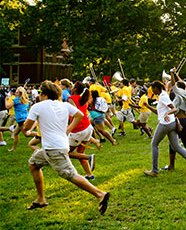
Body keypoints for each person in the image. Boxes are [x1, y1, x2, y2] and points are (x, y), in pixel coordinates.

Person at [22, 80, 110, 214]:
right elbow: (79, 115)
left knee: (70, 175)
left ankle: (100, 194)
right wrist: (68, 129)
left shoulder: (37, 107)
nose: (39, 95)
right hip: (53, 147)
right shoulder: (64, 105)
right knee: (33, 164)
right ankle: (41, 199)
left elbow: (26, 128)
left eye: (40, 92)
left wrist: (27, 131)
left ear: (44, 94)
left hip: (53, 149)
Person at [143, 81, 186, 177]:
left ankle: (154, 170)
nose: (152, 91)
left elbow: (174, 108)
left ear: (157, 88)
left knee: (154, 144)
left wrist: (167, 113)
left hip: (165, 124)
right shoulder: (162, 96)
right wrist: (148, 106)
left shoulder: (163, 96)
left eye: (153, 89)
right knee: (176, 146)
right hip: (171, 124)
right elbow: (158, 112)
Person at [7, 86, 30, 151]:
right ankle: (13, 149)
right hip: (25, 118)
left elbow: (8, 106)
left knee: (26, 134)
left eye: (17, 92)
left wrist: (6, 100)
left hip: (20, 119)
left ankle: (41, 136)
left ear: (20, 93)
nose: (15, 93)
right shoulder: (25, 100)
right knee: (15, 133)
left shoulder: (16, 100)